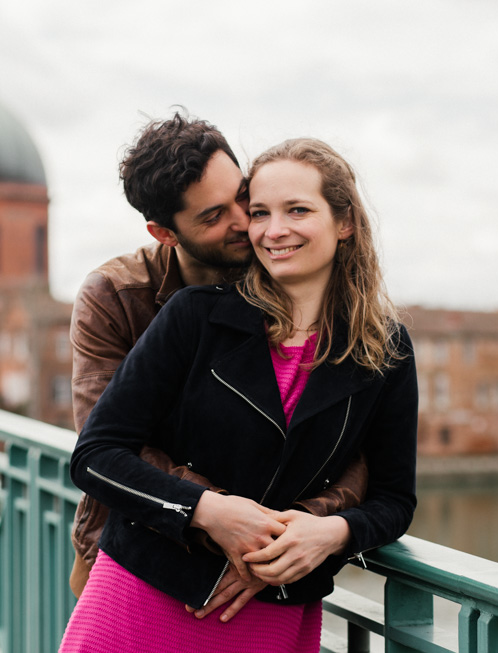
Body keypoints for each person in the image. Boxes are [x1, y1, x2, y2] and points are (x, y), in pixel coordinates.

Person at [60, 138, 418, 652]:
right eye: (260, 213)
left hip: (271, 608)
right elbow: (96, 455)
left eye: (297, 210)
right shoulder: (192, 314)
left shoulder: (387, 349)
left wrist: (331, 533)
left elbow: (393, 496)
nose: (271, 230)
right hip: (151, 587)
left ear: (345, 223)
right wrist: (209, 512)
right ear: (167, 233)